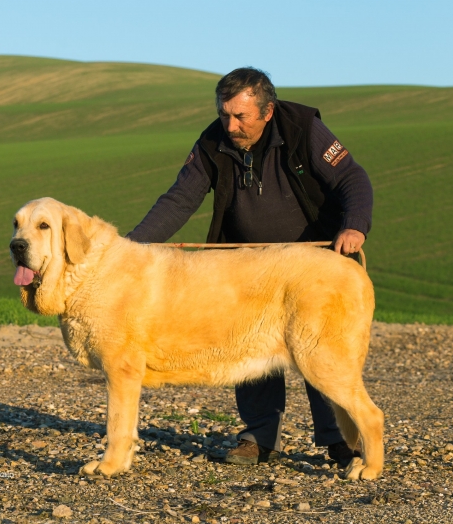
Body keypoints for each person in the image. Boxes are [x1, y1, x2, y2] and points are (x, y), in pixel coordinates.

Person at [127, 67, 373, 468]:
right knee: (248, 346)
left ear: (268, 111)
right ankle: (259, 437)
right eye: (225, 114)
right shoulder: (212, 141)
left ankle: (340, 441)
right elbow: (179, 199)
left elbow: (352, 178)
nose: (231, 125)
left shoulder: (304, 129)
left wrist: (354, 226)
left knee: (318, 350)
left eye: (241, 117)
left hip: (308, 263)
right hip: (243, 267)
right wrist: (133, 245)